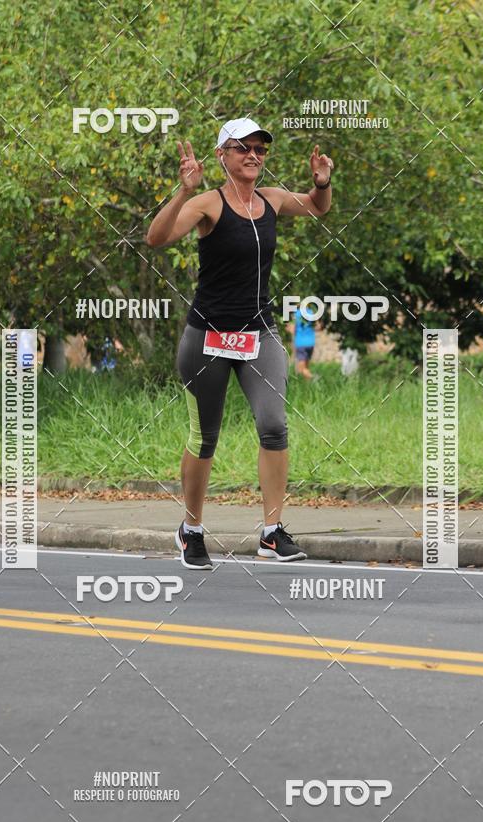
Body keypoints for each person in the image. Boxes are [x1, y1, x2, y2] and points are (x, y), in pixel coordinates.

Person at [146, 117, 333, 569]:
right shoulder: (208, 203)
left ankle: (271, 532)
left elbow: (316, 208)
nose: (253, 155)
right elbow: (156, 239)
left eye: (260, 149)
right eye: (243, 148)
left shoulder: (271, 199)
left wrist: (322, 183)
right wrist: (183, 192)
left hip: (258, 334)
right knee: (204, 436)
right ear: (222, 155)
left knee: (274, 426)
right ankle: (191, 530)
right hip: (207, 336)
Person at [288, 306, 316, 379]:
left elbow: (292, 330)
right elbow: (317, 326)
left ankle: (314, 378)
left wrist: (287, 328)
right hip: (311, 342)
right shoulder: (311, 312)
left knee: (301, 369)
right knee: (306, 367)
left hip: (301, 343)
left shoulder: (297, 313)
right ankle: (308, 384)